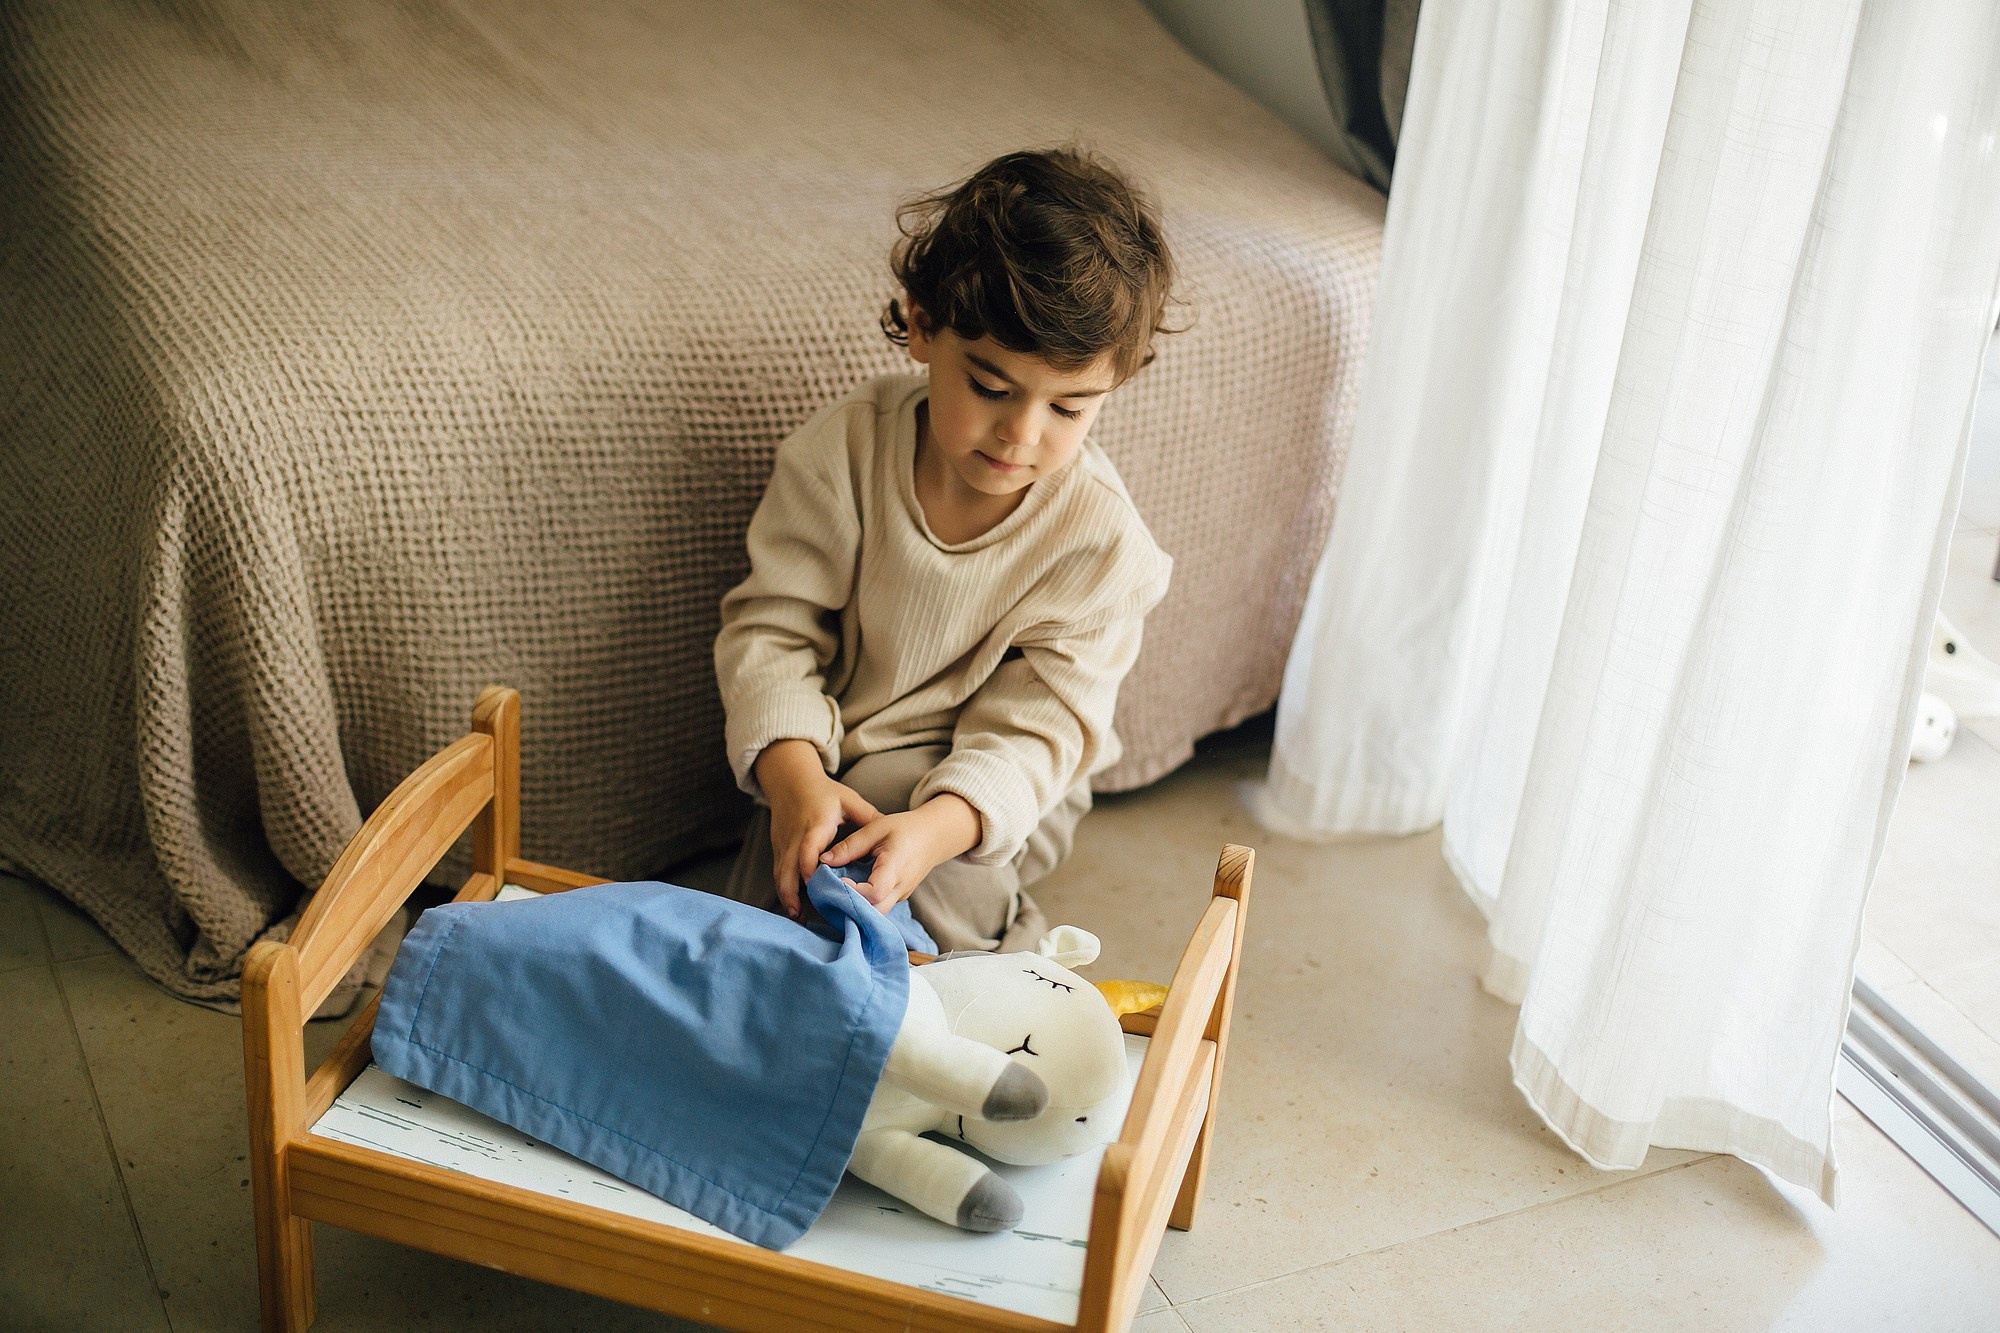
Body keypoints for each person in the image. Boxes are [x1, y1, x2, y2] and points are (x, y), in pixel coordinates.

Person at [715, 146, 1181, 953]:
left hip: (1004, 783)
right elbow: (771, 632)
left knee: (898, 825)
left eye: (1069, 408)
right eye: (992, 388)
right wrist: (795, 779)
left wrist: (936, 828)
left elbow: (1039, 733)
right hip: (845, 746)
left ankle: (1001, 959)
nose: (1022, 434)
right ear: (923, 326)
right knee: (786, 883)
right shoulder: (845, 453)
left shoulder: (1101, 545)